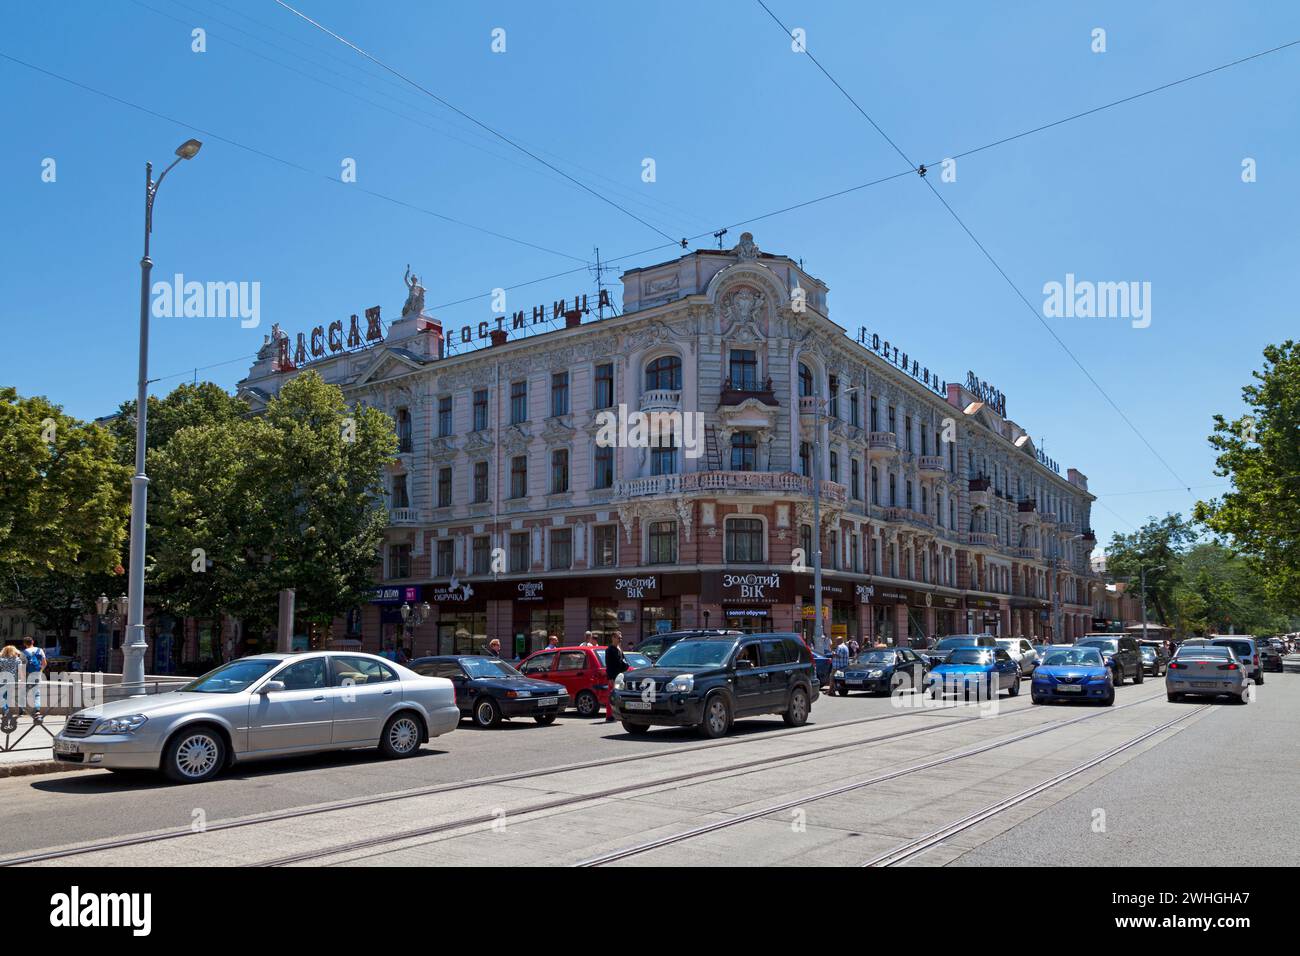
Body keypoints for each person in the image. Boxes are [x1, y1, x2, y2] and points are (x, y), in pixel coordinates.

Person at [604, 631, 629, 722]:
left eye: (621, 638)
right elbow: (609, 665)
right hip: (613, 676)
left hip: (620, 675)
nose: (620, 639)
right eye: (619, 638)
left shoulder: (619, 648)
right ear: (613, 638)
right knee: (612, 696)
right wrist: (610, 678)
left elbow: (623, 661)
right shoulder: (609, 650)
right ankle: (609, 716)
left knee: (618, 696)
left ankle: (616, 714)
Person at [21, 637, 45, 718]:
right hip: (37, 674)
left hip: (28, 674)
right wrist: (40, 671)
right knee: (37, 694)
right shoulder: (40, 650)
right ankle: (37, 710)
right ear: (33, 642)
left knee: (23, 692)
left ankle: (21, 710)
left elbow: (23, 666)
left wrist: (23, 677)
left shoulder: (23, 652)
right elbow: (44, 663)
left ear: (24, 644)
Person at [0, 644, 22, 727]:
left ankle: (6, 711)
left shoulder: (1, 660)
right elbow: (20, 671)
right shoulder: (17, 660)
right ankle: (6, 712)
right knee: (8, 697)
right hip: (12, 680)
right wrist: (20, 679)